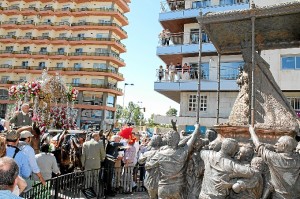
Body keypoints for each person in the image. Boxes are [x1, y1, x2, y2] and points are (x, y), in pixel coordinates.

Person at [146, 124, 200, 199]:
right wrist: (196, 128)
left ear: (168, 140)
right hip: (178, 188)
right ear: (178, 140)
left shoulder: (160, 154)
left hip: (163, 188)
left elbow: (148, 165)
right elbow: (193, 138)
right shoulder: (183, 152)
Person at [249, 125, 300, 198]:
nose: (275, 144)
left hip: (279, 196)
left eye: (278, 142)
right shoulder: (298, 158)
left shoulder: (274, 157)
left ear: (284, 146)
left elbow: (257, 144)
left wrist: (252, 131)